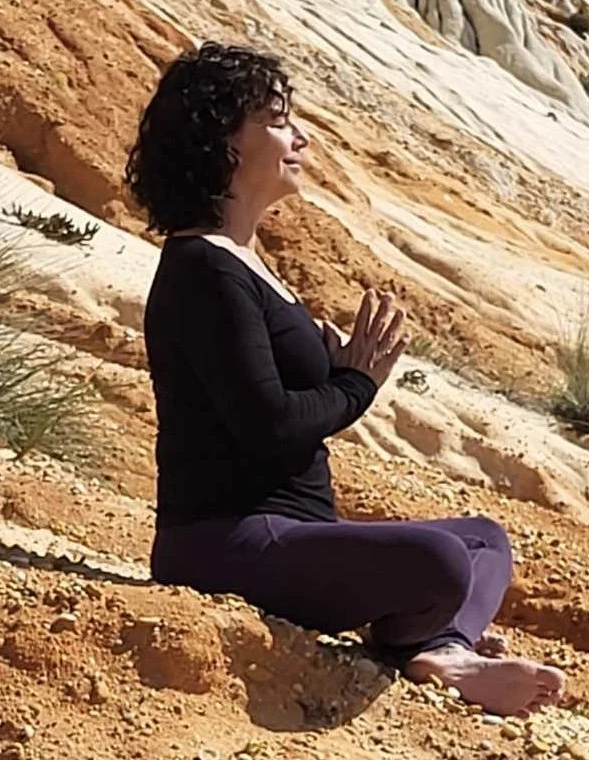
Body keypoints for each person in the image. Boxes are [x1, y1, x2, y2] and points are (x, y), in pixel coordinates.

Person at [125, 42, 564, 717]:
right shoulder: (203, 269)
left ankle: (436, 647)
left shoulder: (244, 262)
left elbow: (268, 396)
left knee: (484, 539)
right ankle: (437, 644)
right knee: (440, 562)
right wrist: (356, 384)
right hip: (224, 541)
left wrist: (333, 369)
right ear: (224, 142)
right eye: (277, 119)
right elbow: (267, 427)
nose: (299, 135)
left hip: (289, 534)